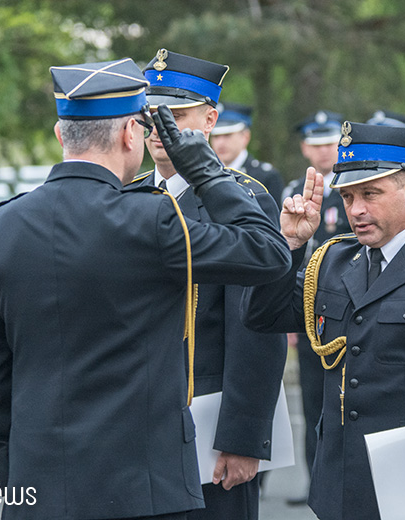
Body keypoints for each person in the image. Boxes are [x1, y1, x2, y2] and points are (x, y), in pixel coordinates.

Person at [0, 57, 291, 520]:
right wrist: (207, 171)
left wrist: (17, 477)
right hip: (144, 486)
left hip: (38, 485)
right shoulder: (150, 218)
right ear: (129, 134)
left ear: (60, 134)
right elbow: (268, 253)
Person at [241, 121, 405, 520]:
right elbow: (263, 316)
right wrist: (291, 246)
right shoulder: (333, 260)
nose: (356, 210)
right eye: (348, 196)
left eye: (371, 194)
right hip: (341, 481)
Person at [128, 49, 288, 520]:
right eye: (149, 117)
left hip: (210, 425)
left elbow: (255, 328)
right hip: (137, 420)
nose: (159, 130)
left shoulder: (242, 199)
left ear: (211, 119)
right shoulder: (127, 197)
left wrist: (243, 438)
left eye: (176, 117)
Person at [281, 110, 353, 504]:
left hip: (348, 312)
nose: (323, 150)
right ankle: (316, 482)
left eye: (330, 143)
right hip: (310, 313)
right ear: (305, 148)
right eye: (316, 143)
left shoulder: (352, 188)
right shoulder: (295, 190)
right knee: (312, 404)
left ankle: (345, 482)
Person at [210, 101, 285, 205]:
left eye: (227, 135)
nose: (220, 143)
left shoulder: (266, 177)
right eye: (215, 136)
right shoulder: (207, 174)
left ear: (245, 137)